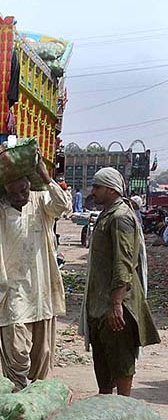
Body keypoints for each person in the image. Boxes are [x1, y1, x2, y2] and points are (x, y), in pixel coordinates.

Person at [0, 160, 72, 391]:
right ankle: (16, 391)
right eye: (14, 193)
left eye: (24, 190)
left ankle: (38, 394)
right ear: (6, 191)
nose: (20, 196)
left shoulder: (41, 202)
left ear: (29, 186)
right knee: (17, 349)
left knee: (43, 351)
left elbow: (63, 205)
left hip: (42, 289)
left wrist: (46, 178)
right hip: (13, 289)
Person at [79, 168, 160, 396]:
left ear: (111, 189)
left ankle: (123, 407)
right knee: (103, 363)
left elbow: (123, 262)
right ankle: (107, 409)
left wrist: (116, 304)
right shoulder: (107, 215)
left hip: (115, 306)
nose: (93, 191)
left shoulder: (121, 217)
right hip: (100, 304)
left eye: (97, 187)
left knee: (121, 361)